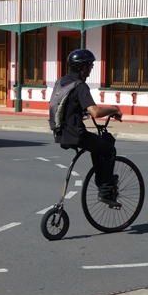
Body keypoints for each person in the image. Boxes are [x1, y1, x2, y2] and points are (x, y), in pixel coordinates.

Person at [56, 48, 123, 208]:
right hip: (76, 134)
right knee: (109, 150)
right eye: (90, 66)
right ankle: (105, 191)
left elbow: (68, 105)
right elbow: (95, 111)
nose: (91, 69)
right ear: (82, 67)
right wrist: (114, 108)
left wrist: (81, 110)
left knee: (98, 146)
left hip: (61, 133)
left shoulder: (62, 82)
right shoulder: (80, 86)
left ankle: (101, 181)